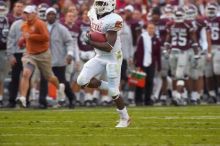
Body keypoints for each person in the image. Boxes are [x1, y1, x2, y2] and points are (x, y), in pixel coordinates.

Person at [77, 0, 130, 127]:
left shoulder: (114, 19)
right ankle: (112, 88)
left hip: (113, 57)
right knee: (82, 80)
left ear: (110, 5)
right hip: (99, 56)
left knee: (113, 93)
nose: (99, 6)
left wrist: (90, 41)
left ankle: (125, 117)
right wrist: (91, 36)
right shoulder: (93, 13)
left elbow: (109, 46)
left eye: (102, 4)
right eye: (98, 3)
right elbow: (96, 32)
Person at [17, 5, 62, 108]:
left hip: (43, 54)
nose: (26, 15)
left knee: (49, 77)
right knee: (25, 73)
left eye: (28, 13)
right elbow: (25, 37)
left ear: (34, 14)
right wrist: (22, 41)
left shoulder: (40, 24)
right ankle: (23, 98)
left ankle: (60, 87)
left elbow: (46, 38)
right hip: (30, 54)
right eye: (25, 13)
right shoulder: (23, 26)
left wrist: (31, 36)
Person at [45, 7, 76, 108]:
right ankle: (43, 101)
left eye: (53, 14)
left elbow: (69, 42)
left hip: (59, 60)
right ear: (46, 16)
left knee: (62, 81)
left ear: (56, 15)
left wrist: (70, 53)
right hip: (45, 60)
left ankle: (71, 98)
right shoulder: (42, 27)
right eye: (49, 14)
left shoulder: (62, 28)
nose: (51, 16)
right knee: (44, 80)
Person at [134, 22, 161, 106]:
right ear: (146, 29)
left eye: (152, 28)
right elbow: (139, 51)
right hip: (142, 63)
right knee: (140, 82)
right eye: (149, 28)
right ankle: (138, 100)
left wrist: (159, 65)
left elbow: (158, 53)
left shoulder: (156, 39)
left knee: (150, 82)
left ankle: (147, 100)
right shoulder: (142, 37)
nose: (151, 30)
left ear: (154, 29)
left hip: (151, 63)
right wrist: (138, 64)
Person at [0, 1, 10, 107]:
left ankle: (0, 98)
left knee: (1, 77)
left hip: (3, 50)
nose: (1, 12)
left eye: (2, 10)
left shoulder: (8, 20)